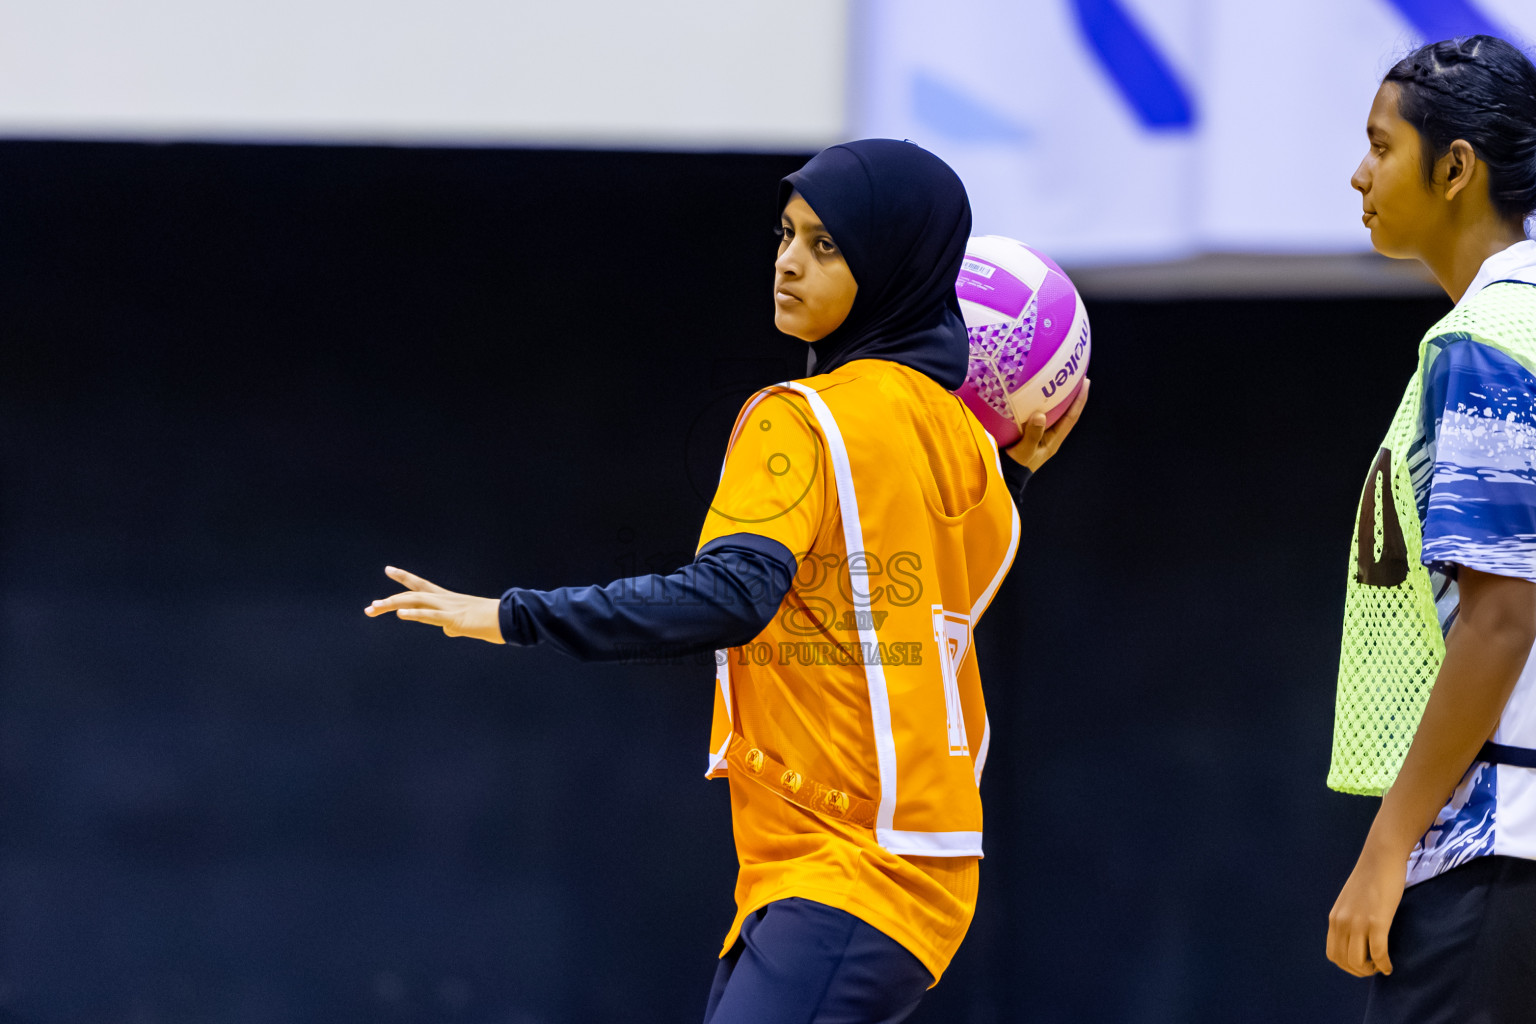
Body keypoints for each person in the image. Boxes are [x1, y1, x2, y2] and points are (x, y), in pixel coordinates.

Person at [366, 139, 1088, 1023]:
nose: (788, 263)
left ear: (898, 262)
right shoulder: (965, 448)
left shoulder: (804, 420)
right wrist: (1014, 465)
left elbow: (730, 596)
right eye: (786, 234)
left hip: (846, 864)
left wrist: (510, 615)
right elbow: (909, 586)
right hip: (904, 874)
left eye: (828, 245)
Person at [1325, 35, 1536, 1023]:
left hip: (1498, 850)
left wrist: (1386, 847)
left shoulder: (1488, 340)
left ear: (1456, 169)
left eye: (1381, 145)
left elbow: (1501, 616)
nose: (1359, 173)